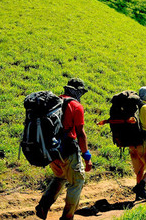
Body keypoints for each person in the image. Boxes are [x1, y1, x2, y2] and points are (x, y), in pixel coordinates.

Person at [35, 78, 93, 220]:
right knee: (77, 181)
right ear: (77, 91)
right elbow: (80, 133)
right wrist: (87, 156)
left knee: (60, 176)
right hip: (68, 150)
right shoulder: (76, 106)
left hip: (50, 150)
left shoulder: (54, 103)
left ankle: (43, 206)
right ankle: (68, 217)